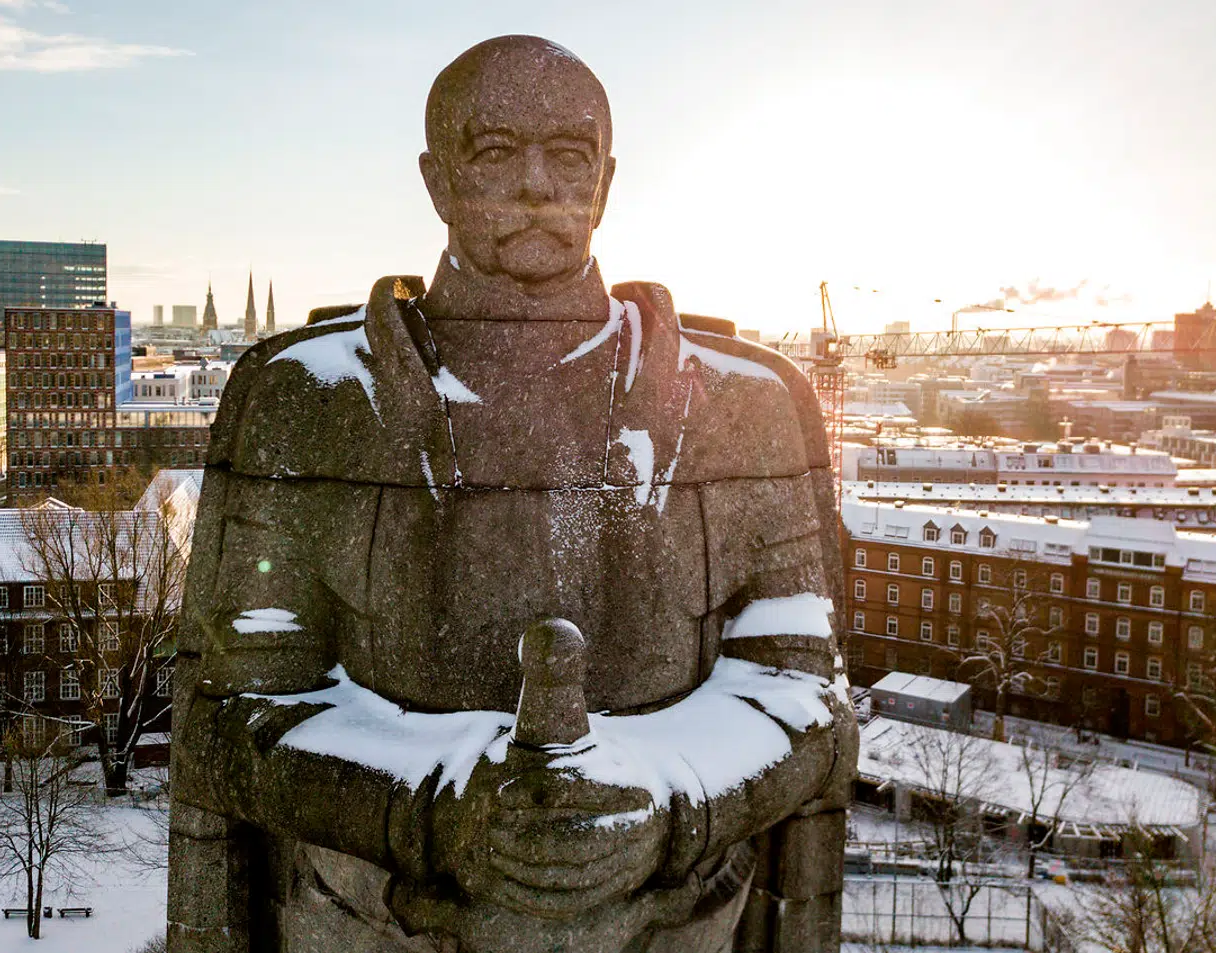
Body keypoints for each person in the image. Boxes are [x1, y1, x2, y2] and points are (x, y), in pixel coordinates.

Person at [169, 35, 856, 953]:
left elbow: (804, 699)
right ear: (437, 178)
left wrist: (673, 805)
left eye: (567, 157)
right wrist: (427, 816)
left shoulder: (750, 406)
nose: (536, 185)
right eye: (496, 152)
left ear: (605, 181)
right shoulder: (302, 401)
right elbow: (223, 720)